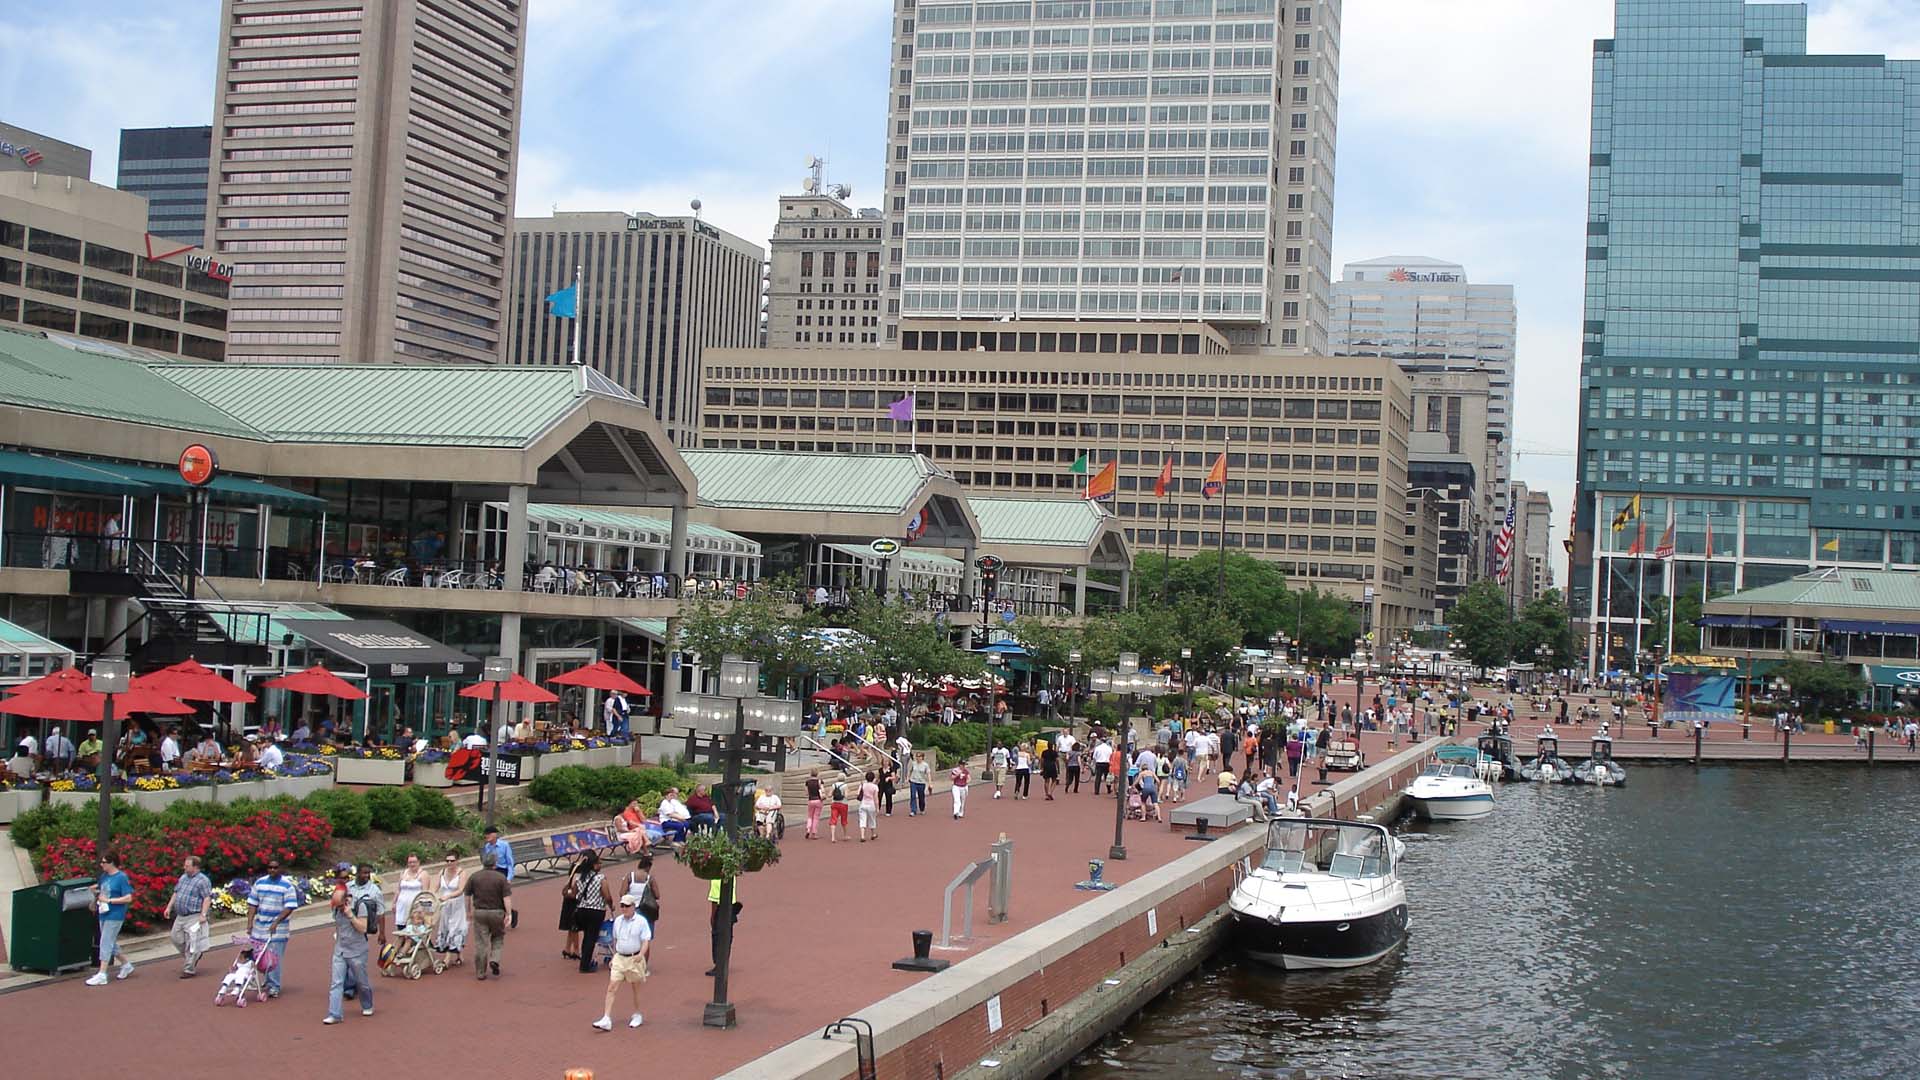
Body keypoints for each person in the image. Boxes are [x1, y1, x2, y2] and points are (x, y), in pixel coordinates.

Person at [324, 863, 387, 1024]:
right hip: (340, 949)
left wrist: (350, 915)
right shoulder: (337, 907)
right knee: (336, 982)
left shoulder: (361, 905)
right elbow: (336, 923)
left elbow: (363, 927)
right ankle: (335, 1014)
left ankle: (367, 1004)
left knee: (361, 982)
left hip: (357, 950)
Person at [592, 894, 652, 1031]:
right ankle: (606, 1017)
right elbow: (615, 940)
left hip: (634, 958)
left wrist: (641, 954)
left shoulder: (641, 922)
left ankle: (637, 1014)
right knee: (612, 986)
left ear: (633, 907)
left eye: (627, 906)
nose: (624, 908)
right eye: (622, 906)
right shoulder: (618, 921)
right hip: (620, 957)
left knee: (635, 987)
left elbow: (645, 941)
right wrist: (614, 956)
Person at [248, 858, 300, 997]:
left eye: (275, 868)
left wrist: (276, 922)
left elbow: (290, 906)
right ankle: (267, 981)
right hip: (260, 928)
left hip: (278, 930)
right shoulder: (259, 883)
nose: (272, 870)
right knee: (260, 957)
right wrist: (250, 923)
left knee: (274, 958)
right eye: (270, 867)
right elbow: (252, 903)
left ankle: (274, 986)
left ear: (280, 869)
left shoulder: (287, 886)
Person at [84, 852, 134, 986]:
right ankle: (126, 964)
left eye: (104, 862)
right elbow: (101, 890)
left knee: (105, 941)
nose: (101, 865)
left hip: (115, 914)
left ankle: (102, 973)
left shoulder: (121, 877)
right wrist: (94, 899)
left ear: (111, 863)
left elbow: (128, 897)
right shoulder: (104, 876)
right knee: (109, 941)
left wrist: (110, 900)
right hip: (103, 912)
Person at [465, 854, 513, 980]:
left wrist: (468, 911)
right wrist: (509, 913)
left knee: (481, 943)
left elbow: (467, 895)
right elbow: (506, 897)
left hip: (480, 912)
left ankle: (480, 971)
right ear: (495, 864)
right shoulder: (501, 878)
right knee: (498, 937)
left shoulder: (474, 877)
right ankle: (495, 959)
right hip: (497, 912)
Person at [569, 850, 611, 973]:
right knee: (591, 937)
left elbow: (574, 893)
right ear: (594, 865)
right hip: (596, 910)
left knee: (586, 935)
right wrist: (611, 905)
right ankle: (585, 965)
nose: (600, 865)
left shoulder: (579, 878)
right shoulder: (600, 878)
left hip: (582, 910)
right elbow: (607, 895)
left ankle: (584, 960)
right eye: (599, 863)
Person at [433, 853, 468, 965]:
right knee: (446, 927)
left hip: (456, 904)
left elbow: (461, 890)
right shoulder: (442, 872)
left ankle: (447, 959)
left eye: (452, 861)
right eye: (447, 861)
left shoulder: (462, 873)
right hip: (444, 906)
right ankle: (459, 955)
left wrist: (449, 896)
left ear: (457, 861)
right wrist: (432, 895)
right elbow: (435, 887)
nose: (449, 863)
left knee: (454, 928)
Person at [857, 770, 881, 842]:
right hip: (871, 804)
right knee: (872, 819)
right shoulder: (875, 787)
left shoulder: (862, 785)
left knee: (862, 819)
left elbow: (857, 793)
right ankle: (873, 834)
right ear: (873, 778)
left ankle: (862, 835)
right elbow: (876, 798)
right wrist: (877, 808)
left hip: (863, 803)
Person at [908, 752, 931, 816]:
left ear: (922, 757)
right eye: (917, 756)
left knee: (921, 797)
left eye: (919, 756)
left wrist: (930, 783)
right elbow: (910, 771)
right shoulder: (913, 764)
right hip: (913, 781)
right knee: (913, 795)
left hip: (921, 783)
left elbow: (928, 774)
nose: (918, 758)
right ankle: (913, 810)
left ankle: (922, 808)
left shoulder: (925, 765)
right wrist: (908, 778)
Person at [828, 774, 850, 842]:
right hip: (843, 804)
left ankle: (833, 837)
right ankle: (845, 835)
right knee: (844, 820)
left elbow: (829, 795)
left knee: (833, 819)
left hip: (834, 803)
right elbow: (846, 796)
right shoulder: (845, 785)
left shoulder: (833, 785)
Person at [803, 771, 824, 838]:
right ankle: (814, 832)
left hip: (811, 800)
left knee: (810, 816)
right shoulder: (820, 781)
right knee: (816, 817)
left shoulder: (807, 782)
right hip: (818, 800)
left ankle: (808, 828)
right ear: (817, 774)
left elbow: (806, 793)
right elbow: (822, 790)